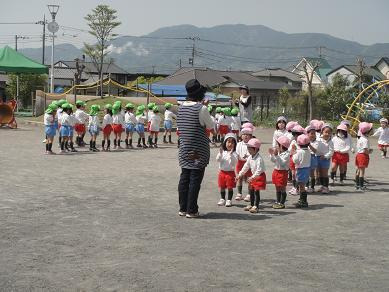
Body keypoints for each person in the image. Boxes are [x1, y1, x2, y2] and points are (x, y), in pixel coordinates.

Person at [177, 79, 215, 218]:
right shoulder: (202, 108)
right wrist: (203, 107)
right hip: (198, 150)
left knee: (184, 178)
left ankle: (183, 208)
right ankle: (192, 209)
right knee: (195, 181)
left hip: (184, 148)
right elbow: (210, 126)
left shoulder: (180, 107)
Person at [236, 138, 266, 213]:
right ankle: (251, 204)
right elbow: (246, 166)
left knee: (256, 191)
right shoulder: (250, 157)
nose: (248, 150)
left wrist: (252, 177)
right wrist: (240, 174)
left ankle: (256, 206)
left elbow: (259, 170)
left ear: (255, 149)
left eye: (250, 149)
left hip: (259, 176)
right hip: (253, 176)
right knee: (251, 191)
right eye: (248, 148)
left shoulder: (259, 159)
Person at [216, 133, 238, 207]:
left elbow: (234, 162)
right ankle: (222, 199)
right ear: (225, 143)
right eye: (228, 142)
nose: (230, 144)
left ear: (235, 144)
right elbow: (218, 160)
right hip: (222, 172)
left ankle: (229, 200)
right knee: (222, 186)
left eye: (232, 142)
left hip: (230, 173)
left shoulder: (235, 153)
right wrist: (220, 153)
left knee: (230, 187)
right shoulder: (222, 152)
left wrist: (231, 154)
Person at [269, 136, 290, 209]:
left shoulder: (287, 154)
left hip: (282, 172)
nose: (277, 146)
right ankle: (278, 201)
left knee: (282, 187)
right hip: (276, 171)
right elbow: (273, 161)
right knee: (277, 187)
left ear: (281, 146)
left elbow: (282, 163)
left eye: (278, 145)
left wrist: (276, 155)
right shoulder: (279, 152)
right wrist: (272, 154)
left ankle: (282, 203)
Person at [290, 134, 311, 208]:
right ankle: (302, 200)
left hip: (301, 170)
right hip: (307, 169)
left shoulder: (299, 152)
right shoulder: (308, 151)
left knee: (301, 186)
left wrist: (293, 152)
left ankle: (303, 201)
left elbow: (295, 160)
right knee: (302, 185)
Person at [235, 127, 253, 202]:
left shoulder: (252, 144)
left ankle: (249, 194)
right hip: (240, 162)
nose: (245, 136)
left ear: (250, 136)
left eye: (247, 134)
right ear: (241, 136)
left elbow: (253, 153)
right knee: (240, 178)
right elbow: (236, 153)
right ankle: (239, 193)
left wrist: (248, 156)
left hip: (249, 163)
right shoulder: (238, 144)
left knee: (249, 179)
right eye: (244, 134)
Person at [316, 124, 334, 194]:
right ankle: (322, 186)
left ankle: (326, 187)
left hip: (325, 159)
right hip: (317, 157)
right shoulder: (318, 139)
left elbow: (331, 151)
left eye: (329, 132)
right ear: (322, 132)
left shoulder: (331, 142)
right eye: (325, 132)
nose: (327, 134)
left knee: (325, 173)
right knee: (320, 172)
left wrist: (326, 156)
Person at [355, 122, 373, 191]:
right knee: (362, 172)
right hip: (363, 156)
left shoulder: (360, 138)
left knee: (358, 170)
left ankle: (357, 185)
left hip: (358, 155)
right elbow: (365, 150)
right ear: (368, 131)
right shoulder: (365, 139)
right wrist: (370, 152)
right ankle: (361, 186)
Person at [288, 124, 305, 195]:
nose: (296, 137)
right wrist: (291, 151)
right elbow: (289, 150)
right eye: (294, 135)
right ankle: (295, 187)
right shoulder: (293, 142)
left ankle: (298, 188)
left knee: (298, 175)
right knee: (293, 174)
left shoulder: (303, 143)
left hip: (299, 161)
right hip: (292, 160)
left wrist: (295, 151)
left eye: (297, 135)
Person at [306, 125, 319, 193]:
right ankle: (307, 186)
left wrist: (309, 145)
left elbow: (315, 151)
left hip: (313, 157)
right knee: (307, 173)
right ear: (307, 134)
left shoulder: (316, 142)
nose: (313, 135)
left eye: (314, 133)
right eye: (311, 133)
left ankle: (312, 187)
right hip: (306, 158)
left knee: (312, 173)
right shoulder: (305, 141)